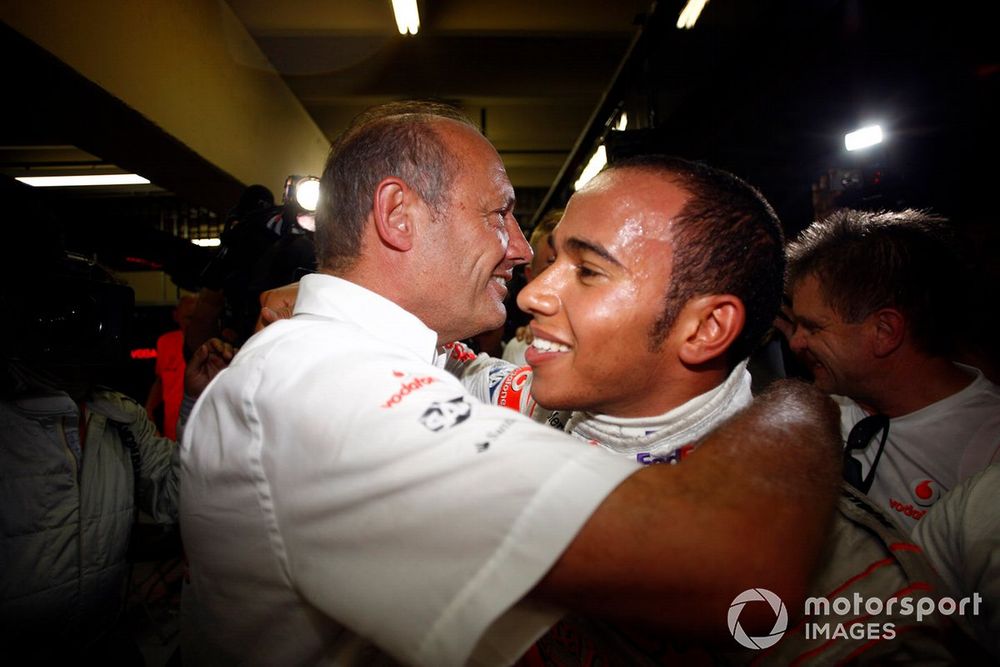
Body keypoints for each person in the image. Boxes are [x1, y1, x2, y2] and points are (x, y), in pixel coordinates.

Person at [180, 101, 843, 666]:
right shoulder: (327, 382)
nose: (524, 253)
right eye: (499, 213)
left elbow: (498, 381)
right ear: (398, 215)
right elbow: (728, 564)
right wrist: (801, 399)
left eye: (587, 269)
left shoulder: (378, 364)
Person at [784, 209, 1000, 532]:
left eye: (813, 327)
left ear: (884, 331)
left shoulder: (987, 452)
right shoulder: (832, 404)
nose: (795, 342)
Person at [501, 208, 561, 365]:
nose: (563, 283)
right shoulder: (520, 350)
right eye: (550, 272)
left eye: (583, 271)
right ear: (530, 275)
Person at [145, 293, 197, 439]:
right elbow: (161, 380)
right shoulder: (165, 342)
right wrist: (148, 410)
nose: (192, 323)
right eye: (188, 318)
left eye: (196, 318)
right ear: (176, 316)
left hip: (200, 432)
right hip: (171, 434)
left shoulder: (211, 342)